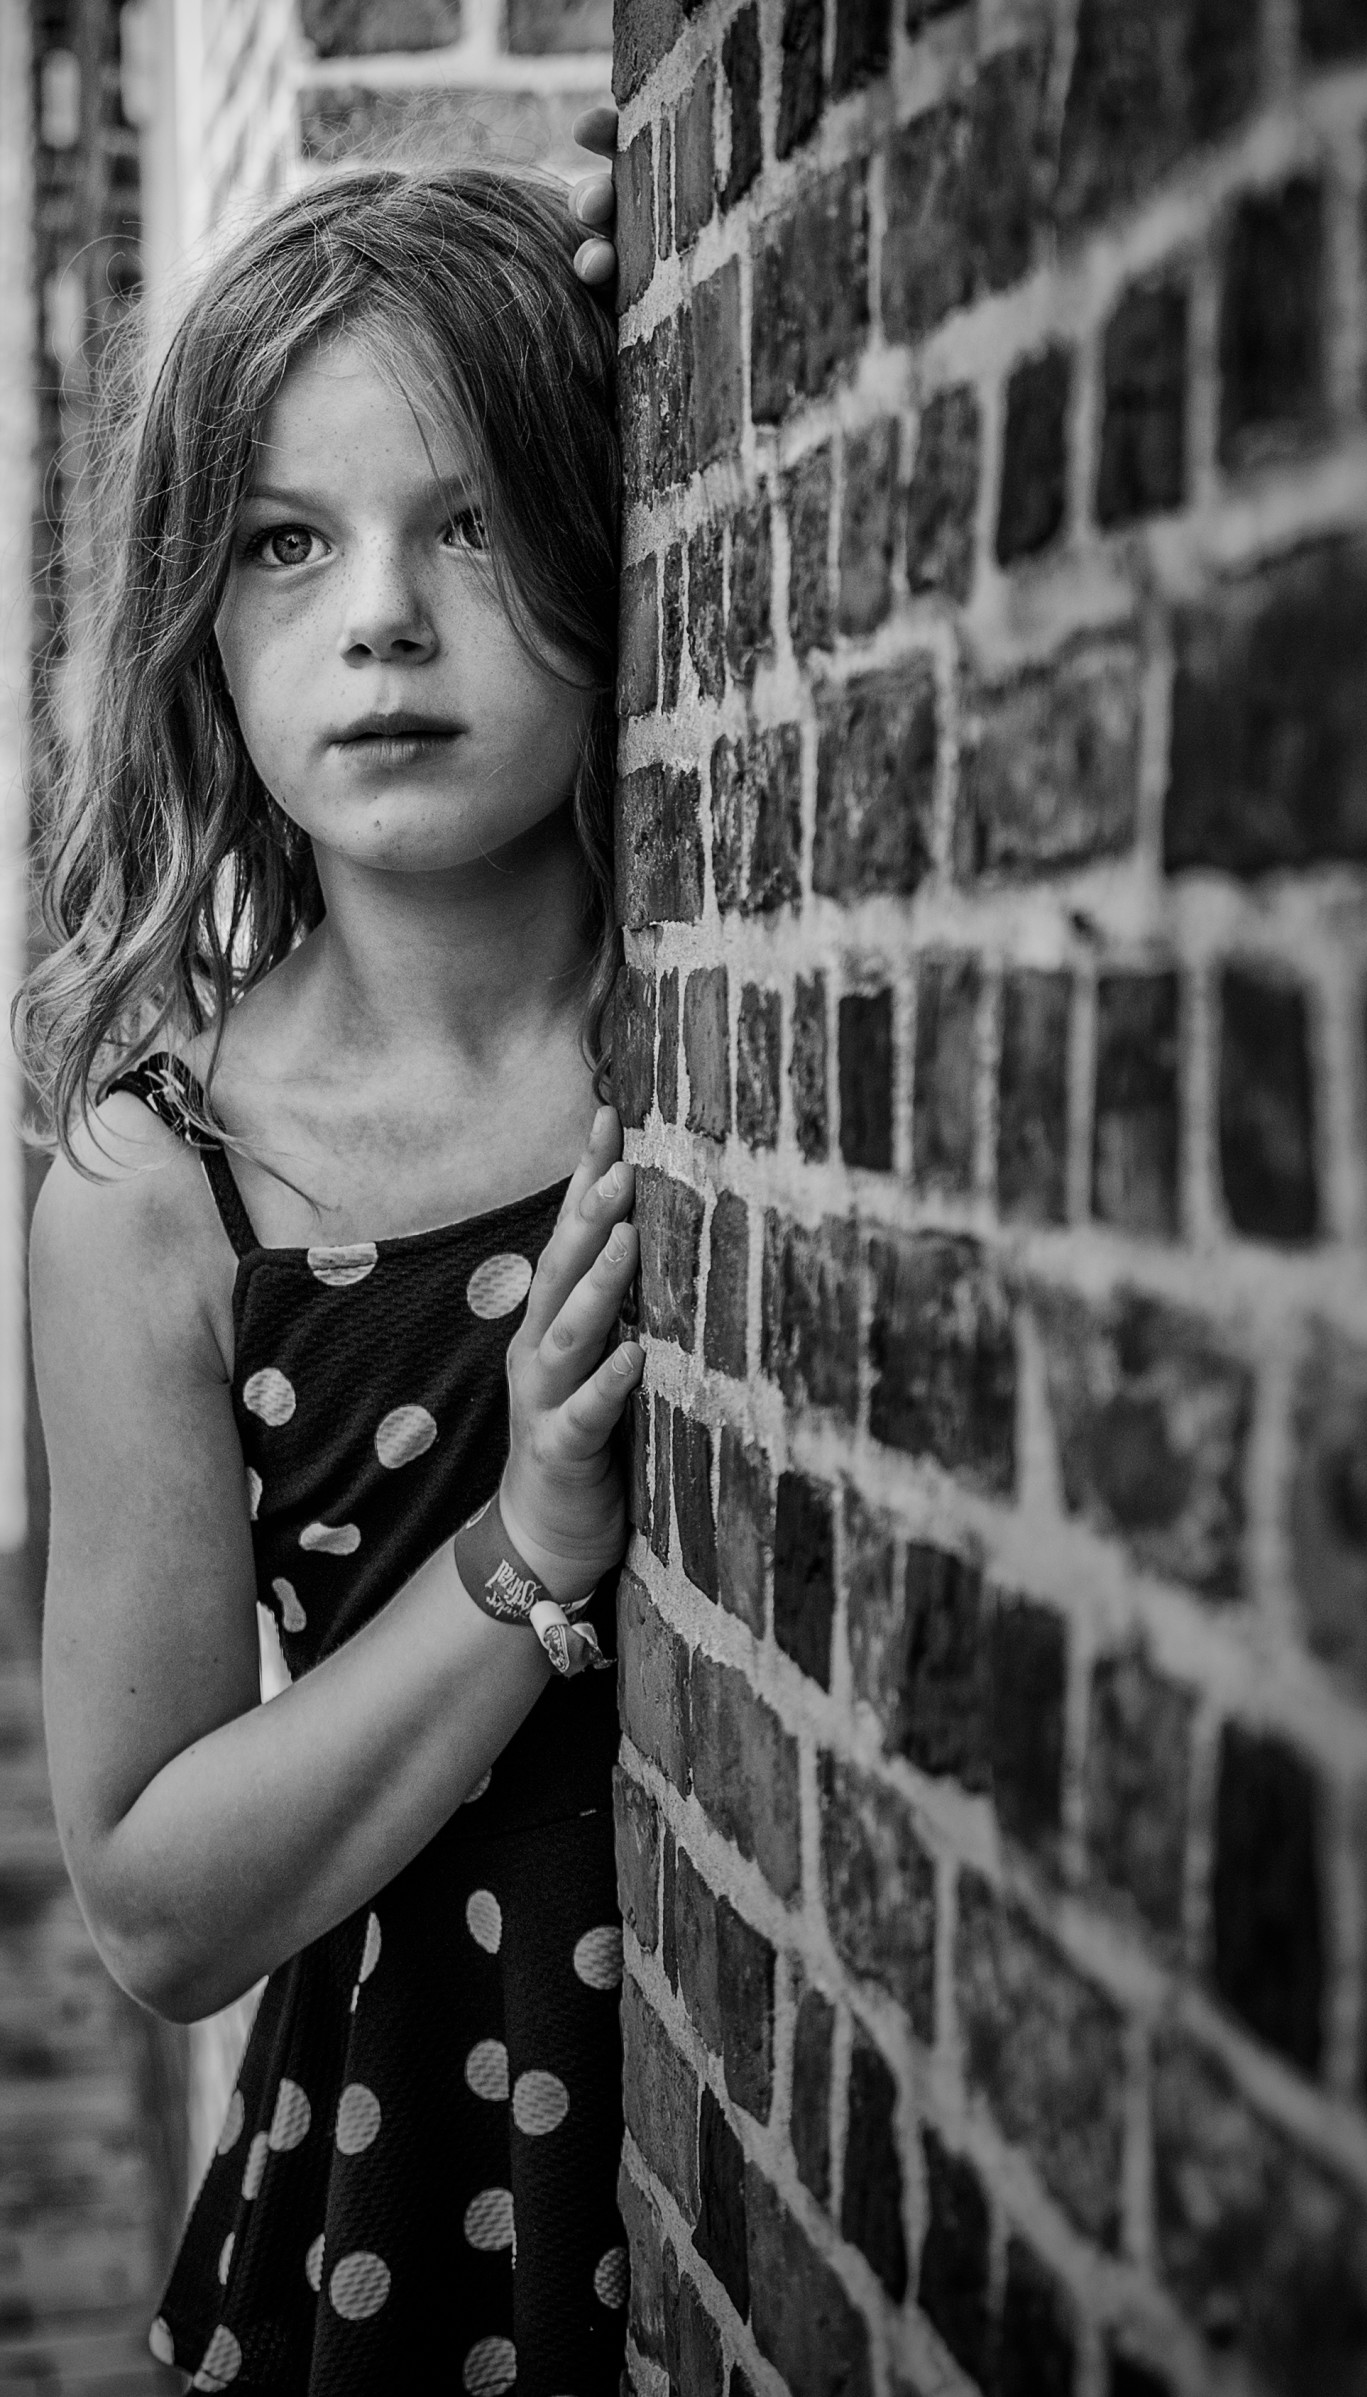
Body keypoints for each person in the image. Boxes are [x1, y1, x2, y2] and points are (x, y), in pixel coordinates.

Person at [17, 131, 643, 2392]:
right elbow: (152, 1902)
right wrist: (524, 1548)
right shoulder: (160, 1180)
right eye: (290, 541)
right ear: (203, 607)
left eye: (470, 522)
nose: (381, 615)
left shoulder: (747, 1025)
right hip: (408, 2183)